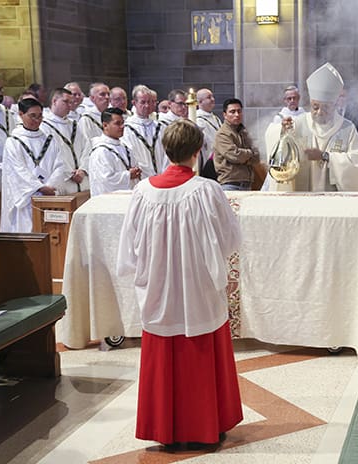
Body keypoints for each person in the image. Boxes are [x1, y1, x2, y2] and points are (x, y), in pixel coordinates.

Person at [117, 119, 243, 447]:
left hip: (158, 289)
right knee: (201, 352)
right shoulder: (207, 190)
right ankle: (206, 426)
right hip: (197, 289)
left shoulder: (142, 191)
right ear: (199, 151)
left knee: (162, 356)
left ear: (166, 150)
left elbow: (130, 246)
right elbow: (230, 239)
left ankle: (164, 430)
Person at [271, 63, 358, 192]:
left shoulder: (347, 128)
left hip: (335, 201)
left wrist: (325, 156)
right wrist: (282, 131)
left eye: (326, 107)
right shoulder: (298, 123)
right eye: (315, 107)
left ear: (334, 105)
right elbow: (280, 152)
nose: (319, 112)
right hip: (302, 197)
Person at [0, 98, 64, 233]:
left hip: (49, 196)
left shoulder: (50, 139)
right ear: (21, 114)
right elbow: (18, 170)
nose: (37, 120)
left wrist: (50, 186)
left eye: (40, 116)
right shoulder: (13, 141)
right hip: (26, 199)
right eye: (32, 116)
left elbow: (60, 165)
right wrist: (40, 187)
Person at [41, 88, 90, 194]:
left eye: (71, 102)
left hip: (82, 181)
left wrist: (82, 170)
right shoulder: (44, 127)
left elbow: (87, 148)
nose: (70, 106)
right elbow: (51, 155)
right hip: (63, 181)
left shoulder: (75, 125)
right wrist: (69, 173)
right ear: (54, 101)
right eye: (66, 101)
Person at [88, 107, 141, 196]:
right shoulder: (100, 151)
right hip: (109, 204)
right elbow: (104, 181)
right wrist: (128, 175)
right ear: (105, 125)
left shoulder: (125, 147)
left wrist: (136, 171)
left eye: (123, 123)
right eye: (117, 123)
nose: (122, 126)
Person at [213, 98, 259, 191]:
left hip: (247, 183)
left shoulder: (244, 132)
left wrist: (245, 157)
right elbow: (235, 155)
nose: (237, 115)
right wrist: (249, 154)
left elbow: (257, 156)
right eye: (232, 112)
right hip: (230, 183)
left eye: (239, 111)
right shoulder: (222, 134)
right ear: (225, 115)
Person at [123, 85, 167, 177]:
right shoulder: (127, 128)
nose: (147, 105)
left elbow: (167, 153)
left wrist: (163, 173)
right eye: (143, 102)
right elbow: (131, 155)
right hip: (141, 177)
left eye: (150, 102)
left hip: (162, 176)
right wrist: (148, 174)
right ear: (134, 103)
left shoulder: (160, 127)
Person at [195, 88, 221, 175]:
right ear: (200, 101)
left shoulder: (215, 118)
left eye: (212, 96)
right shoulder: (197, 119)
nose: (213, 99)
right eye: (209, 97)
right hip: (207, 159)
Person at [78, 82, 110, 149]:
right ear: (92, 98)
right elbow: (86, 144)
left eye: (108, 94)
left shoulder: (113, 116)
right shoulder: (86, 119)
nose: (107, 97)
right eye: (102, 94)